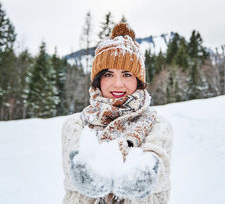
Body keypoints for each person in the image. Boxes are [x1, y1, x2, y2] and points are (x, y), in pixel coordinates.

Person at [62, 23, 173, 204]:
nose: (118, 84)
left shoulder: (157, 125)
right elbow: (72, 177)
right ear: (98, 81)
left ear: (139, 81)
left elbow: (160, 171)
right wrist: (87, 175)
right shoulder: (77, 125)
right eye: (108, 75)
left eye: (127, 74)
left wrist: (144, 175)